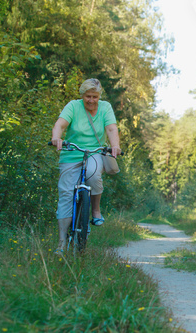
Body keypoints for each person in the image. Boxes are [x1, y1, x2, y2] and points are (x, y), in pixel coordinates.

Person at [51, 78, 121, 254]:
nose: (91, 100)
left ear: (99, 96)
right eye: (88, 96)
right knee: (66, 195)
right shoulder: (73, 106)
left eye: (95, 97)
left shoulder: (105, 108)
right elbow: (60, 124)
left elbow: (112, 129)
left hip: (94, 152)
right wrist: (57, 137)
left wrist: (115, 145)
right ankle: (61, 242)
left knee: (93, 174)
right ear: (82, 95)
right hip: (71, 152)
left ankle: (95, 210)